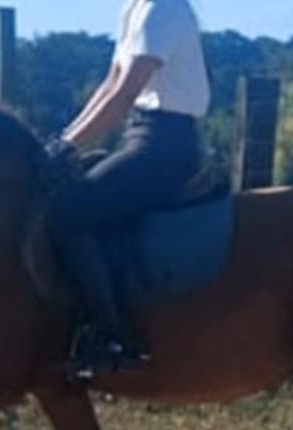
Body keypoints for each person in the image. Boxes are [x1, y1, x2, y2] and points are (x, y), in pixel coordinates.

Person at [45, 0, 211, 380]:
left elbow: (125, 93)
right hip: (140, 135)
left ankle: (114, 337)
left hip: (164, 145)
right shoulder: (135, 8)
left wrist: (68, 146)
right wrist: (63, 140)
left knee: (67, 214)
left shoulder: (164, 9)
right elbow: (110, 86)